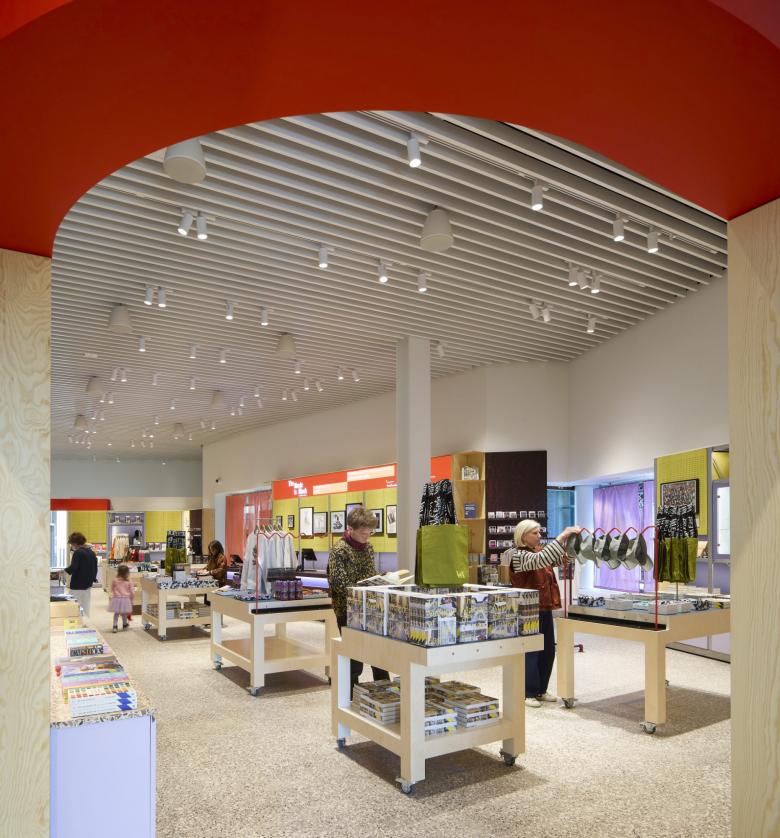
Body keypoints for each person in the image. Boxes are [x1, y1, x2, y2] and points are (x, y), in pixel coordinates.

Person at [502, 519, 581, 708]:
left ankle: (540, 690)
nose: (539, 536)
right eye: (535, 533)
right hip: (527, 611)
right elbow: (542, 560)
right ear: (523, 536)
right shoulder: (518, 556)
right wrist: (562, 535)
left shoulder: (538, 552)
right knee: (531, 652)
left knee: (547, 651)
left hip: (544, 608)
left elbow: (563, 559)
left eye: (539, 532)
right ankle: (527, 692)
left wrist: (573, 545)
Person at [327, 506, 390, 694]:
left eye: (370, 531)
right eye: (363, 532)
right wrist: (362, 588)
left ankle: (385, 694)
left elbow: (369, 575)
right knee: (354, 658)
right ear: (351, 528)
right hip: (347, 611)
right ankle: (351, 697)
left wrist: (382, 580)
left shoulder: (368, 548)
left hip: (369, 608)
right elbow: (339, 584)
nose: (367, 535)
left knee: (378, 654)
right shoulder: (339, 550)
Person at [65, 532, 98, 616]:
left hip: (77, 584)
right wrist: (93, 578)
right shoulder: (91, 552)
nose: (71, 546)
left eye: (71, 543)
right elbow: (95, 567)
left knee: (74, 605)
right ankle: (83, 620)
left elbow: (73, 567)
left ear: (75, 543)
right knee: (85, 604)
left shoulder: (78, 553)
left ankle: (75, 621)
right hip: (88, 583)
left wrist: (64, 571)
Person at [108, 564, 134, 632]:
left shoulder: (115, 580)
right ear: (127, 573)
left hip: (117, 599)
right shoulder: (129, 581)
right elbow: (132, 591)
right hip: (126, 599)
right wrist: (132, 598)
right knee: (124, 613)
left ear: (118, 572)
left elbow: (112, 589)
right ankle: (124, 625)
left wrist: (113, 595)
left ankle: (115, 626)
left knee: (116, 613)